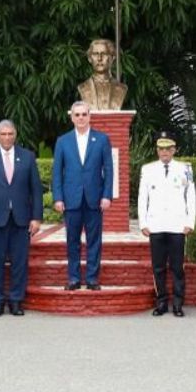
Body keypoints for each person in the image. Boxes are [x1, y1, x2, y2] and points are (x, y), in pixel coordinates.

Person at [0, 120, 43, 316]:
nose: (7, 137)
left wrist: (36, 218)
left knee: (20, 262)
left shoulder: (27, 157)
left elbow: (36, 190)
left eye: (10, 134)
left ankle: (16, 301)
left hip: (21, 220)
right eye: (3, 134)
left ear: (15, 134)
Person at [52, 100, 114, 290]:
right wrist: (58, 197)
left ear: (90, 116)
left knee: (94, 241)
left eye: (84, 114)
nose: (80, 118)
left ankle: (92, 279)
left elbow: (109, 170)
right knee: (72, 240)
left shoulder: (102, 139)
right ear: (71, 117)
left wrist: (107, 196)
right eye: (77, 114)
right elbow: (57, 172)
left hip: (94, 199)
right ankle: (73, 278)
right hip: (71, 199)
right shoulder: (63, 141)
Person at [139, 130, 194, 317]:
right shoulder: (148, 169)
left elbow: (190, 197)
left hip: (177, 225)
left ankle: (178, 304)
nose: (164, 152)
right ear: (157, 150)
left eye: (168, 149)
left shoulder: (185, 168)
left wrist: (190, 221)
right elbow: (142, 197)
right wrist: (143, 222)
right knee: (158, 267)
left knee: (178, 267)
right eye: (161, 149)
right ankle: (161, 302)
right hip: (156, 224)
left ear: (174, 150)